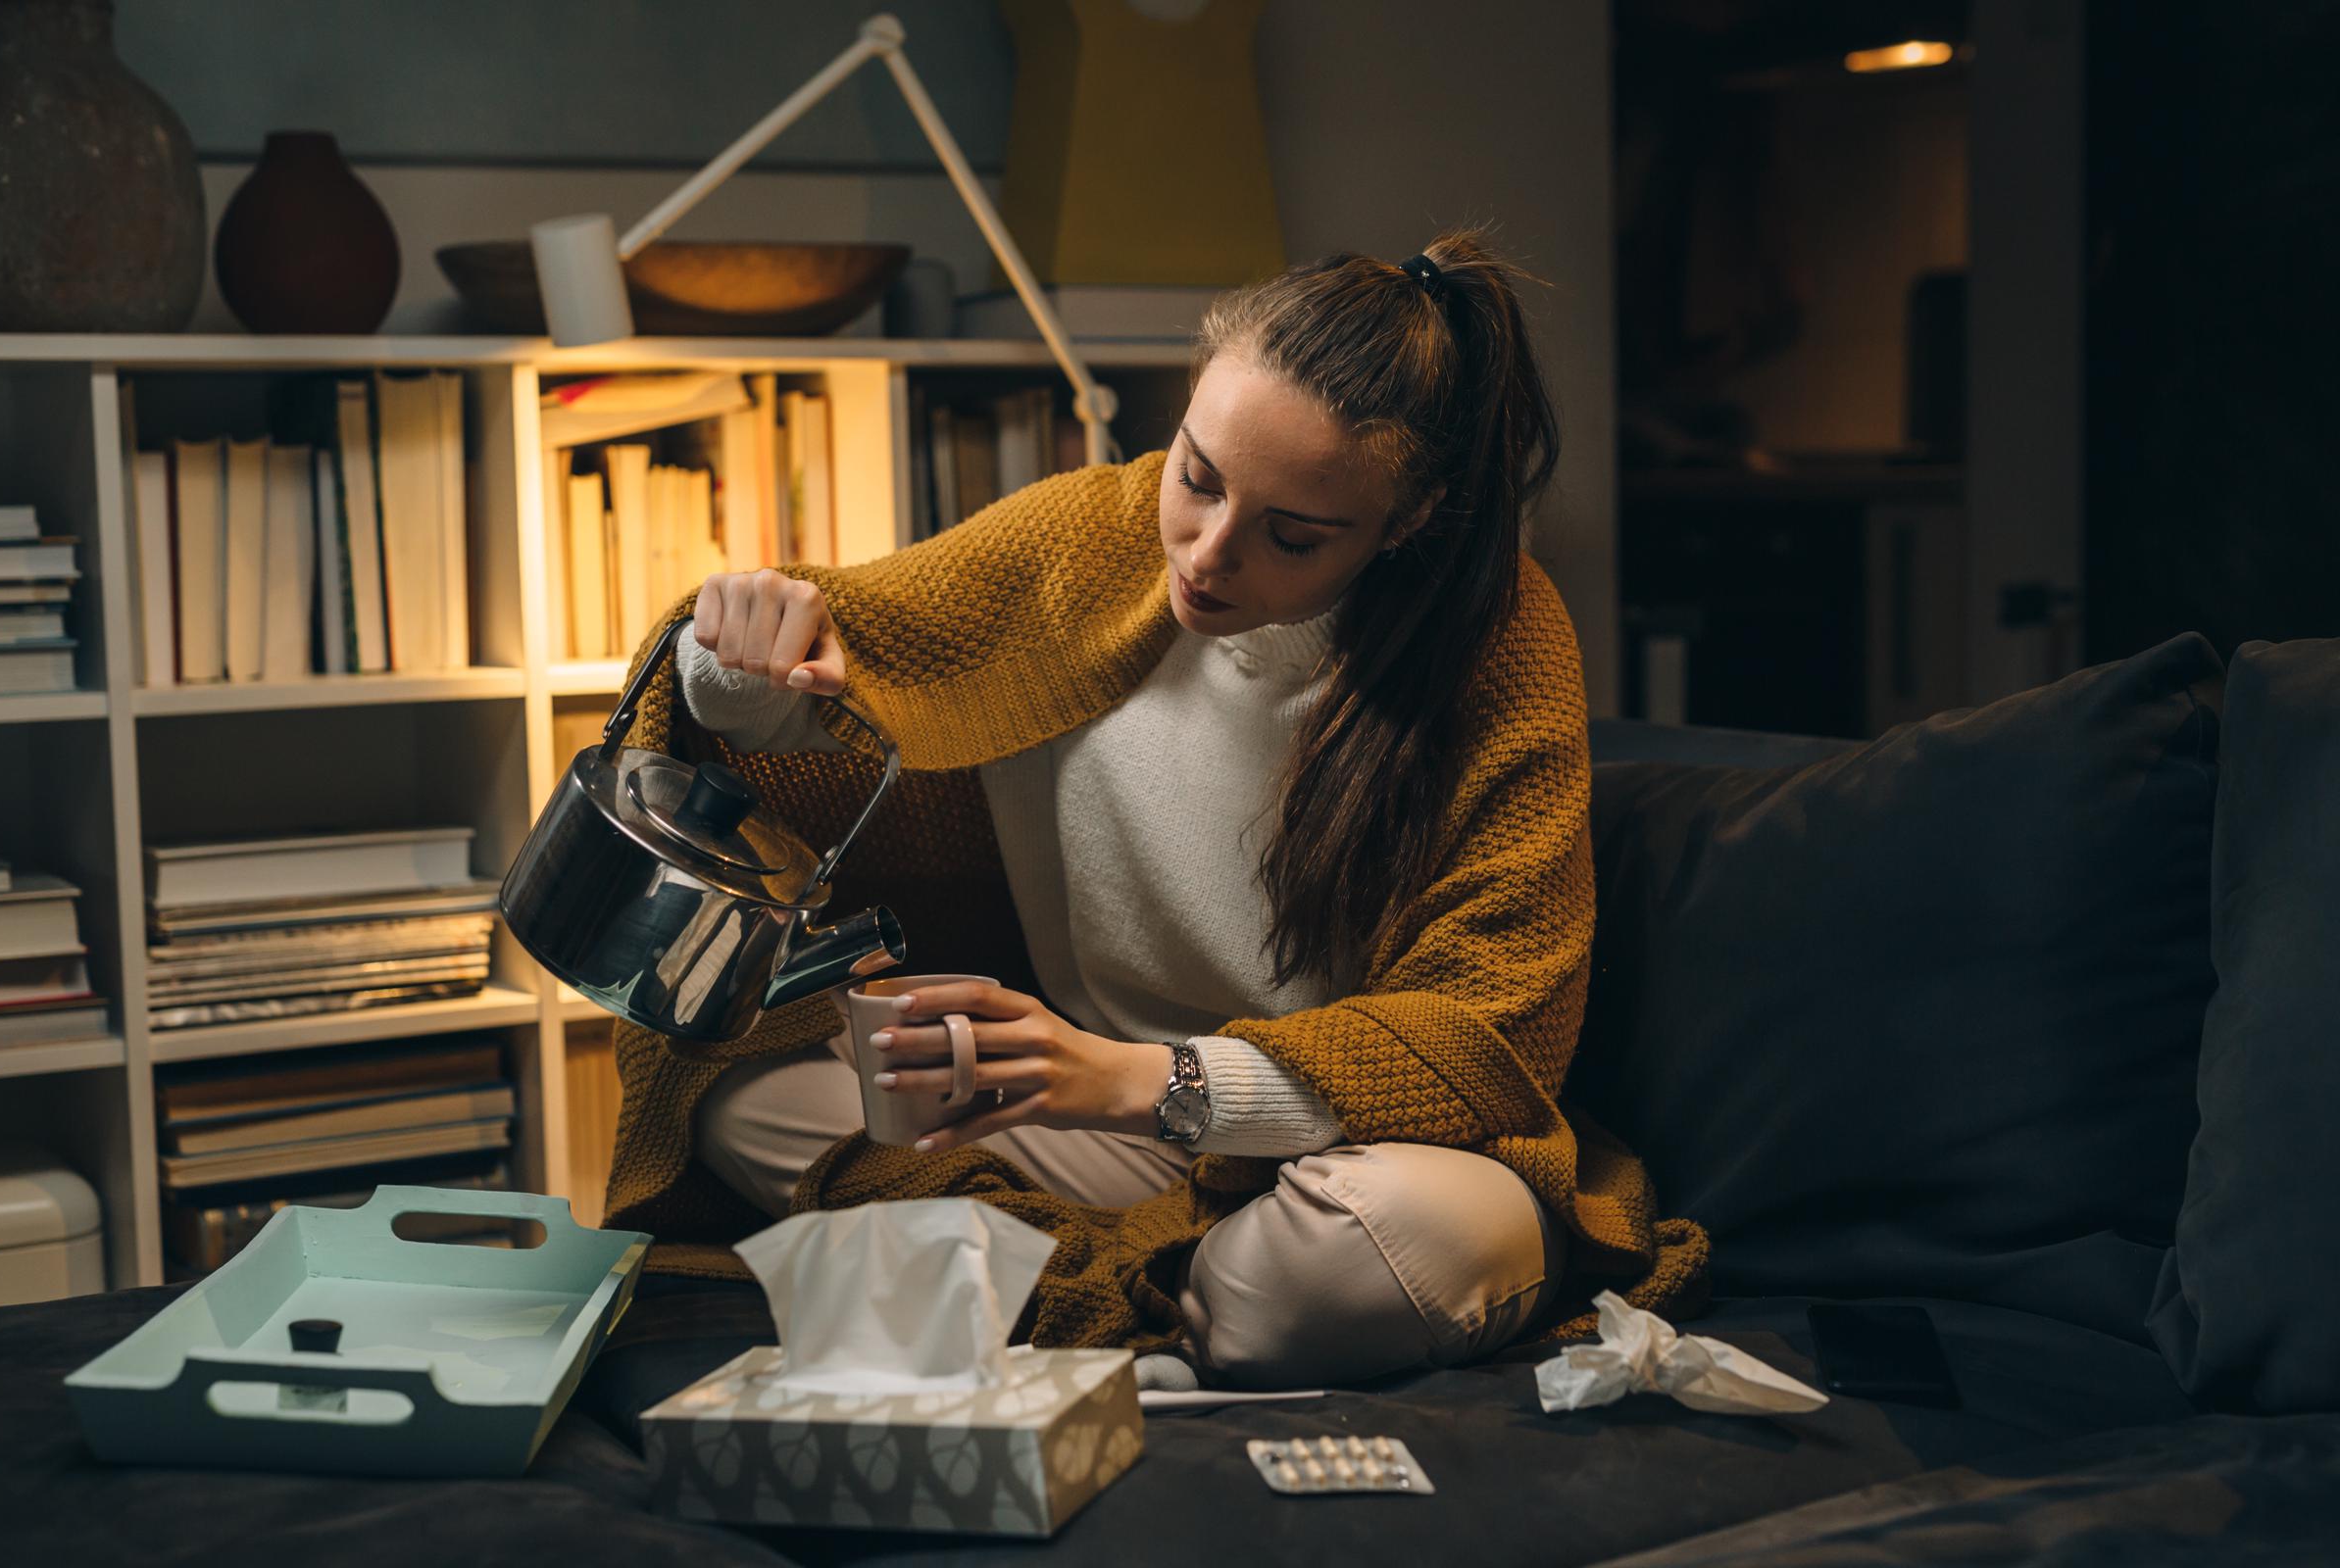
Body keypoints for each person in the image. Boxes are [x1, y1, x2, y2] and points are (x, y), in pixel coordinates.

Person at [601, 232, 1706, 1389]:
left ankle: (1046, 1286)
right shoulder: (1087, 538)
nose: (1211, 555)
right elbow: (832, 680)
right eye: (1198, 475)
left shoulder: (1499, 641)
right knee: (737, 1087)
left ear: (1410, 517)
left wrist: (1137, 1078)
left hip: (1339, 1151)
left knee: (1412, 1237)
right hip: (1088, 1135)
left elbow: (1492, 1035)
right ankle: (1169, 1302)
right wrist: (735, 645)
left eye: (1293, 535)